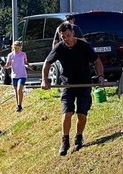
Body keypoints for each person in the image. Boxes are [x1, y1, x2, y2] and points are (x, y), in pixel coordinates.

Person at [41, 22, 104, 156]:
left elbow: (97, 62)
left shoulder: (84, 46)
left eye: (68, 36)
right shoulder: (59, 47)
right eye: (63, 37)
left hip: (84, 84)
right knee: (67, 113)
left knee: (82, 114)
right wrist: (44, 80)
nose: (66, 39)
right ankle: (65, 141)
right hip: (67, 85)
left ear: (73, 33)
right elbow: (47, 63)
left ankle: (79, 136)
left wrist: (100, 77)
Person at [4, 41, 29, 112]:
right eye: (15, 48)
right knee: (16, 91)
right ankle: (18, 105)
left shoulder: (23, 54)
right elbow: (8, 64)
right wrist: (6, 66)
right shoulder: (10, 55)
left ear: (20, 48)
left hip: (22, 75)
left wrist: (30, 66)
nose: (16, 49)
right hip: (14, 75)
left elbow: (25, 62)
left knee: (19, 89)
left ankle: (20, 105)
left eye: (18, 48)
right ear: (12, 47)